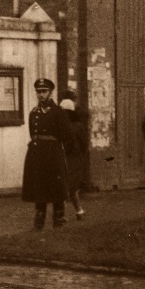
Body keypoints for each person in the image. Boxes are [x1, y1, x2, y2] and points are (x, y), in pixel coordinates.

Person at [21, 77, 75, 229]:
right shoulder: (34, 113)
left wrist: (61, 151)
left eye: (44, 91)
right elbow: (33, 134)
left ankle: (58, 220)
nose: (41, 95)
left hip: (53, 155)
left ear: (50, 93)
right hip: (37, 155)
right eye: (38, 92)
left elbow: (68, 136)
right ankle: (39, 222)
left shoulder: (58, 112)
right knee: (39, 188)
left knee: (56, 187)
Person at [59, 89, 90, 220]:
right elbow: (85, 143)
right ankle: (79, 211)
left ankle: (63, 214)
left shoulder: (61, 125)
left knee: (66, 187)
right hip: (75, 158)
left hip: (67, 157)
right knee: (71, 187)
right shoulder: (78, 125)